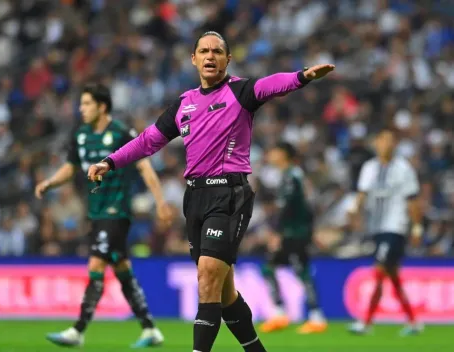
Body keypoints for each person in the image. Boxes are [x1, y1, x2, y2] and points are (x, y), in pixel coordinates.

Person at [87, 31, 334, 352]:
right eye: (203, 51)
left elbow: (271, 84)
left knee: (207, 275)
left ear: (227, 59)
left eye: (217, 51)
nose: (210, 56)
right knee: (224, 292)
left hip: (230, 195)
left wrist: (301, 77)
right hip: (196, 199)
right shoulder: (184, 104)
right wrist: (111, 161)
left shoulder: (241, 92)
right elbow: (148, 140)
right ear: (193, 58)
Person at [35, 83, 172, 348]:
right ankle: (150, 329)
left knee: (97, 264)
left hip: (116, 211)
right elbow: (70, 167)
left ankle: (78, 330)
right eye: (81, 104)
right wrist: (50, 183)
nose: (81, 109)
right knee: (122, 269)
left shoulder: (121, 132)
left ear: (102, 106)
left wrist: (160, 202)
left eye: (86, 104)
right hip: (96, 213)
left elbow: (144, 167)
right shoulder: (82, 135)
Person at [347, 126, 423, 336]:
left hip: (395, 226)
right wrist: (354, 210)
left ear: (395, 144)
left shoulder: (403, 168)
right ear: (376, 143)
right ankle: (414, 322)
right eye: (382, 140)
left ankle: (366, 322)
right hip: (376, 227)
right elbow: (362, 194)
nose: (386, 144)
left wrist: (416, 227)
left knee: (379, 270)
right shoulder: (369, 167)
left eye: (390, 140)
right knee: (393, 276)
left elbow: (413, 200)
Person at [259, 142, 327, 335]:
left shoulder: (292, 175)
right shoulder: (291, 175)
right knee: (270, 268)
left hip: (294, 232)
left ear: (283, 154)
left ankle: (316, 317)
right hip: (294, 231)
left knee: (300, 270)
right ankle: (280, 313)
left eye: (274, 151)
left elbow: (288, 207)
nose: (270, 154)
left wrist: (277, 233)